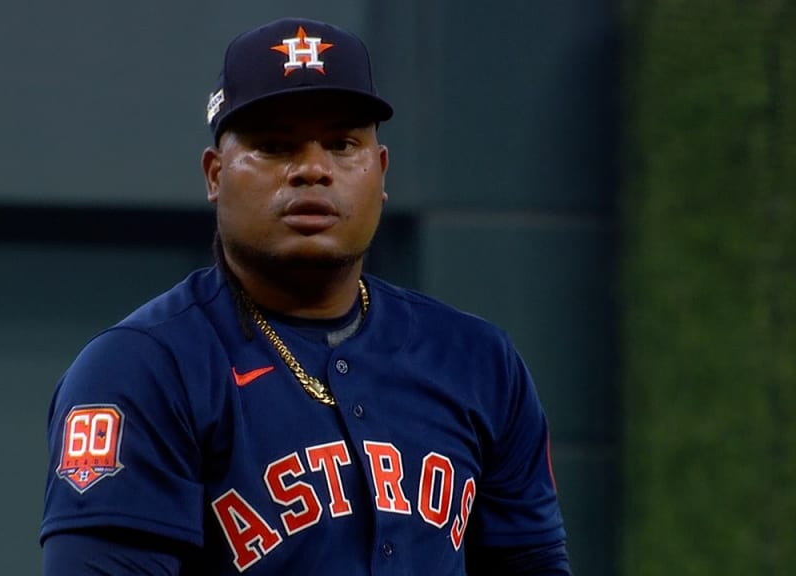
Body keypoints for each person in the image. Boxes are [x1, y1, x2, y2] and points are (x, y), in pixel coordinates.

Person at [41, 17, 571, 575]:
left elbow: (530, 559)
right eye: (274, 146)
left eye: (343, 144)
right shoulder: (142, 370)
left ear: (381, 172)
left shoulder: (478, 360)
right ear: (215, 175)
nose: (313, 169)